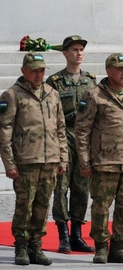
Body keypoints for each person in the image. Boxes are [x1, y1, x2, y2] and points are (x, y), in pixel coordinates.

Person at [75, 53, 123, 264]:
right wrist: (84, 161)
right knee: (101, 206)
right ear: (109, 71)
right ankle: (101, 246)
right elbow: (82, 131)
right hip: (103, 162)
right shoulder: (94, 95)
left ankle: (118, 247)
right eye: (120, 69)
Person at [0, 52, 68, 266]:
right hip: (26, 160)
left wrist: (62, 158)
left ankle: (36, 246)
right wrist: (9, 163)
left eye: (42, 70)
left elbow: (60, 128)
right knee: (25, 204)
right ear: (24, 71)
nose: (39, 75)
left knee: (42, 205)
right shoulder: (12, 95)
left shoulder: (52, 93)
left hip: (50, 160)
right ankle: (21, 245)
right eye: (34, 71)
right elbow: (4, 131)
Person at [46, 35, 96, 254]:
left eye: (81, 50)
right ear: (65, 53)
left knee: (82, 187)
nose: (79, 53)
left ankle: (77, 233)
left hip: (84, 138)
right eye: (74, 50)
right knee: (61, 186)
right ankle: (63, 235)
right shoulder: (54, 82)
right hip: (63, 136)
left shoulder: (91, 81)